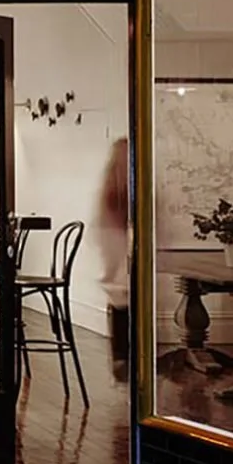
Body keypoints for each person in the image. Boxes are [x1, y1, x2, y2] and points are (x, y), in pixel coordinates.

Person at [97, 135, 131, 379]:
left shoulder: (112, 187)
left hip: (122, 249)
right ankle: (125, 357)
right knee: (123, 299)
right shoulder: (116, 190)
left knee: (121, 300)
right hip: (121, 248)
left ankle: (123, 358)